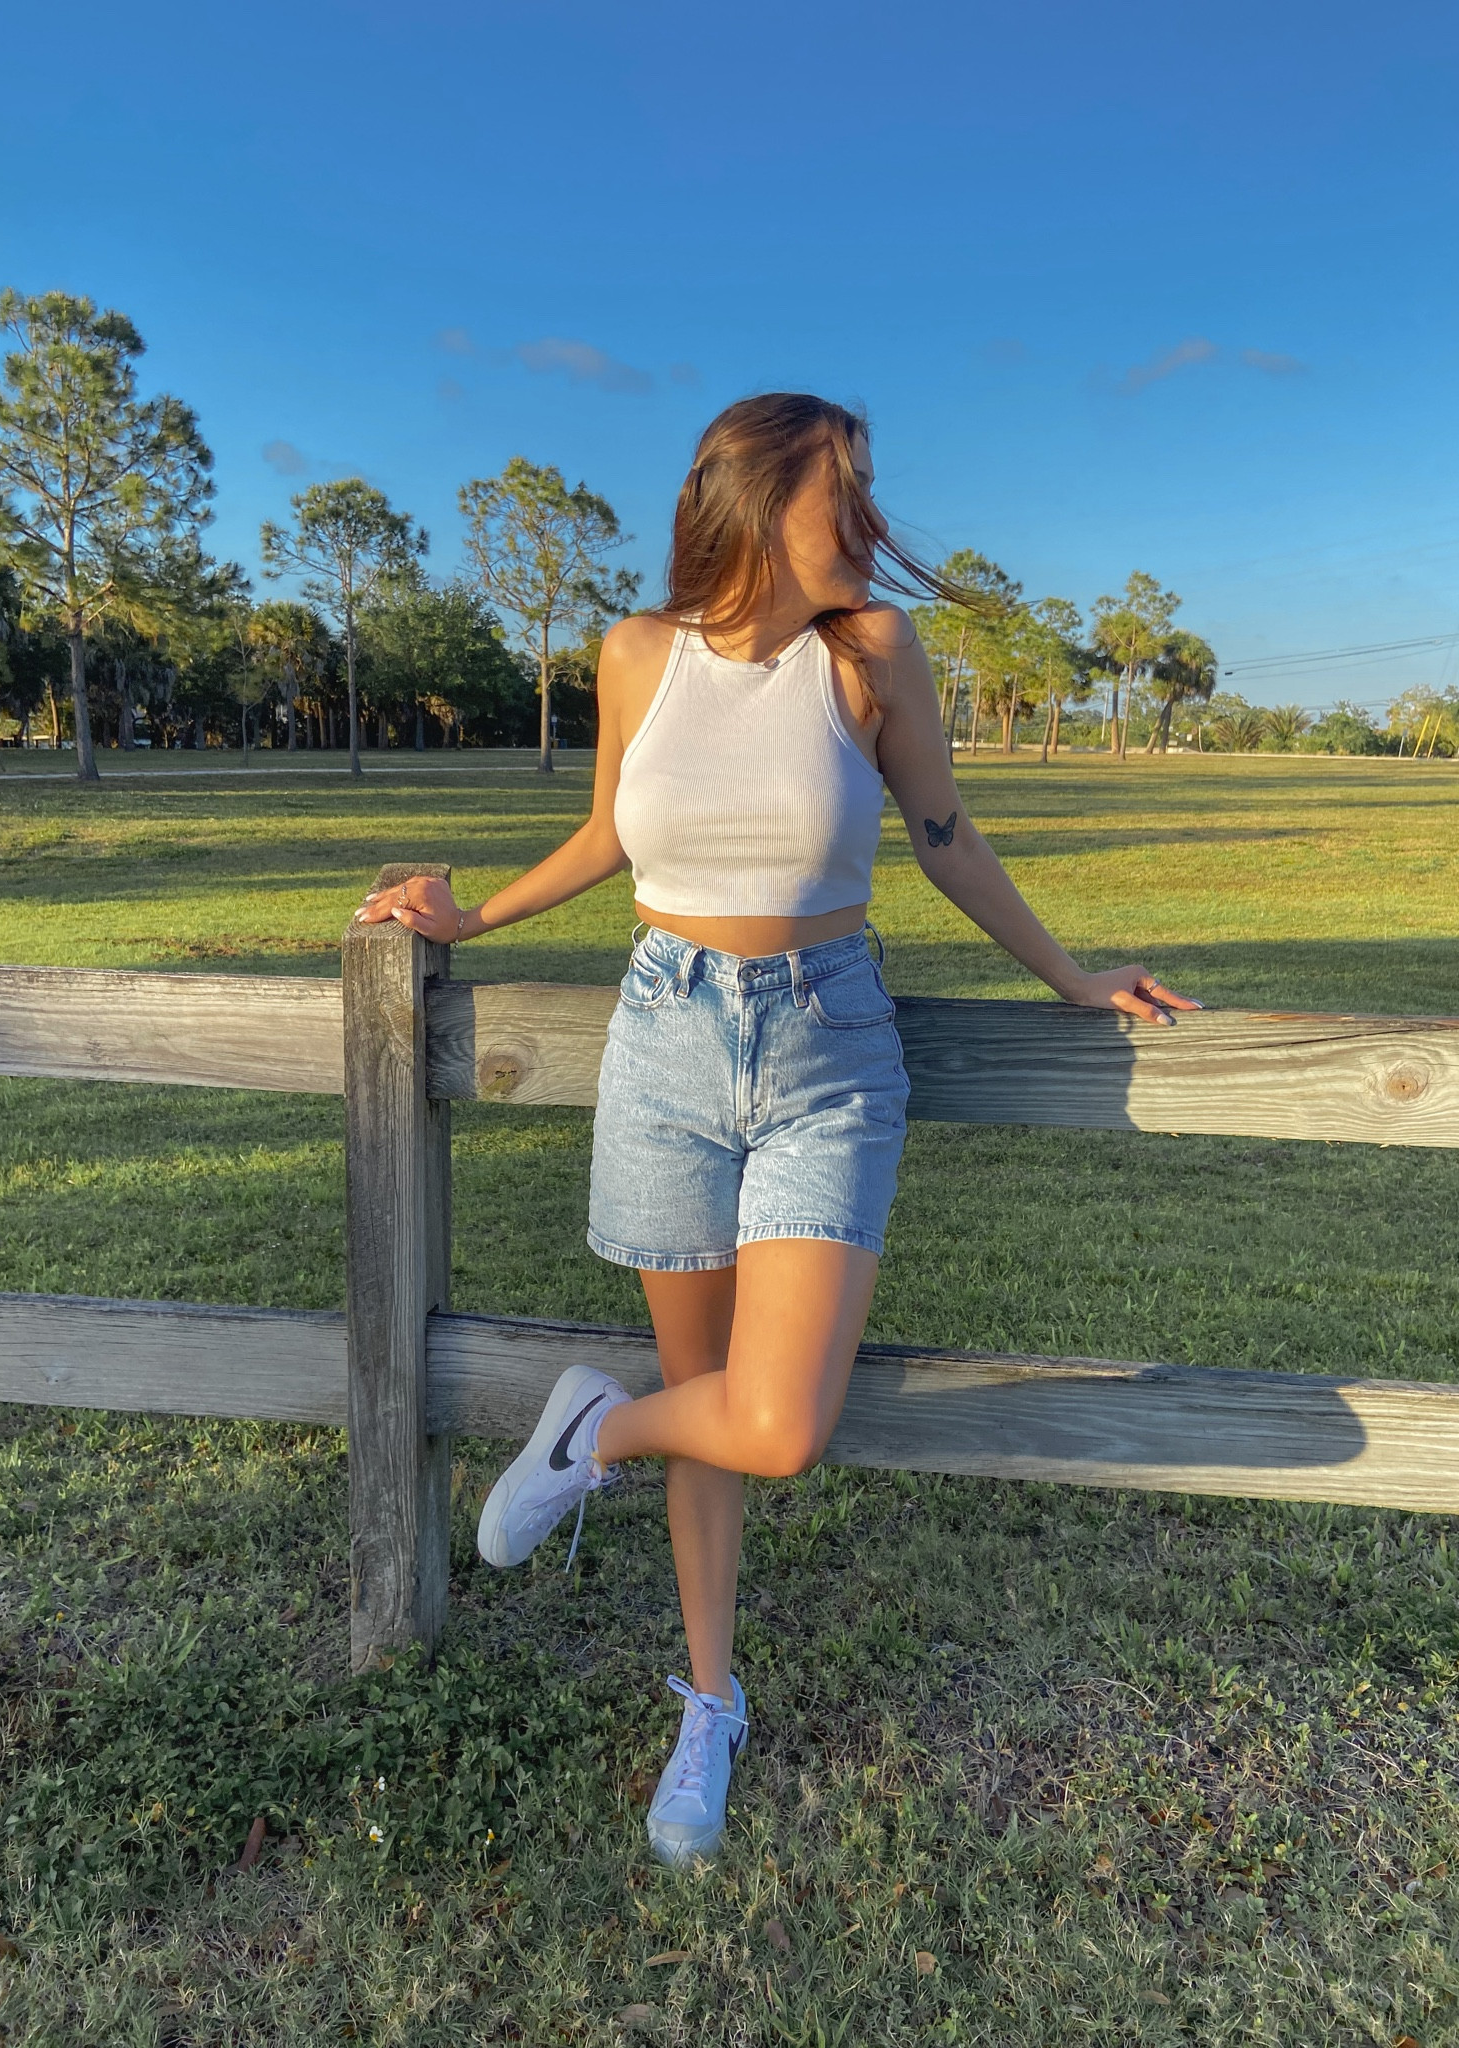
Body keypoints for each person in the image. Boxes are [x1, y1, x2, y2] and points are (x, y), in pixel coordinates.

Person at [357, 393, 1197, 1870]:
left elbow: (943, 836)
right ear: (756, 501)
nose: (871, 524)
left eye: (871, 492)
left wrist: (1074, 976)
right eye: (844, 495)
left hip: (829, 1048)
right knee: (715, 1414)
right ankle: (708, 1704)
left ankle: (585, 1432)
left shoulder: (872, 656)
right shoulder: (636, 654)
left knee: (779, 1423)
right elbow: (614, 834)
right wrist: (469, 912)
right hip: (668, 1032)